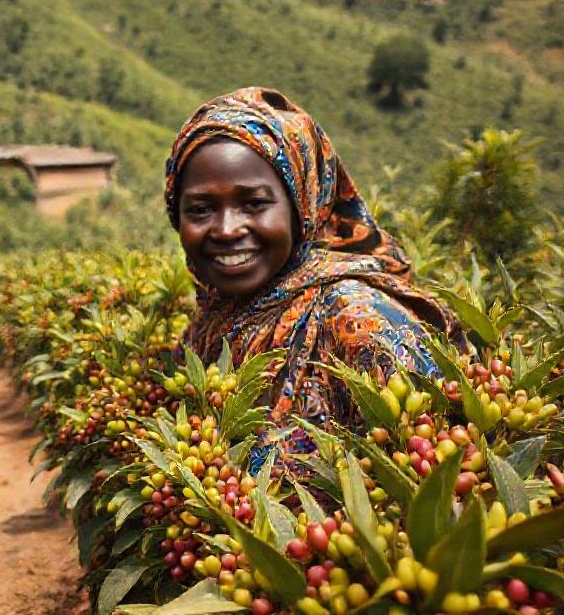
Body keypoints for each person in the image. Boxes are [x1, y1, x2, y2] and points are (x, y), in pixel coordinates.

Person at [166, 87, 461, 440]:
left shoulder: (360, 324)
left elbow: (436, 456)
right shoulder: (211, 323)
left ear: (302, 206)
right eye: (201, 209)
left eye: (254, 203)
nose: (227, 229)